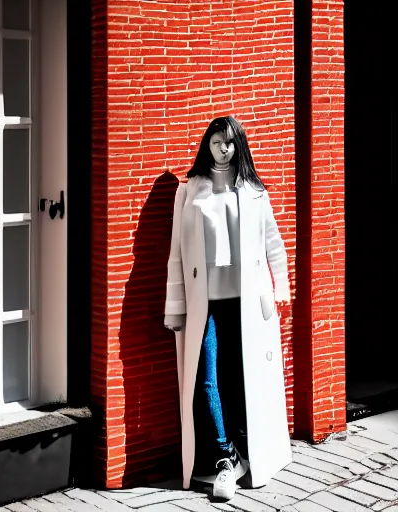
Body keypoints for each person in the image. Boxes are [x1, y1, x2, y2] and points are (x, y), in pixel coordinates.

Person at [164, 116, 292, 500]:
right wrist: (175, 307)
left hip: (248, 305)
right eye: (217, 141)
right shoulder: (188, 192)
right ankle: (224, 459)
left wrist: (281, 287)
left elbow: (274, 243)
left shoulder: (254, 191)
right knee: (206, 378)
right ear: (207, 143)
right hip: (206, 306)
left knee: (245, 378)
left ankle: (250, 451)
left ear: (240, 147)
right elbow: (175, 254)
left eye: (230, 142)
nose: (223, 148)